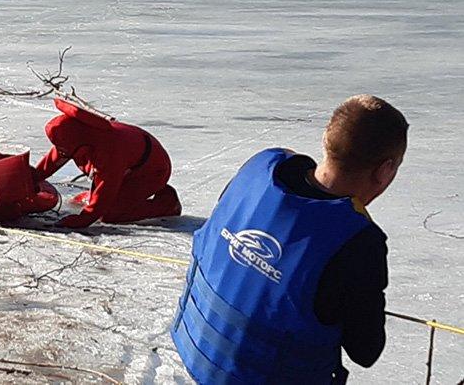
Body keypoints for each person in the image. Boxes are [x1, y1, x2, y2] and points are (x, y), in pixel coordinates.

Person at [171, 95, 408, 384]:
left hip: (200, 355)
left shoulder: (259, 168)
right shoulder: (358, 242)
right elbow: (365, 351)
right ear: (385, 170)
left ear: (327, 138)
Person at [35, 98, 181, 228]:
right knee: (90, 201)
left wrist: (81, 220)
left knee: (110, 214)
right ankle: (125, 195)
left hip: (152, 172)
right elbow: (55, 159)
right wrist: (32, 178)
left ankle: (166, 204)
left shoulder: (109, 152)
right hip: (128, 166)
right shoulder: (77, 134)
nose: (62, 152)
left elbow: (105, 189)